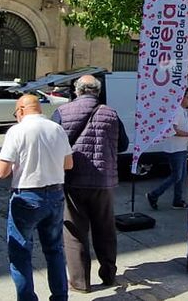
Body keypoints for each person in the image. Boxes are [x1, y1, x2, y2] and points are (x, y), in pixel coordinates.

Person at [51, 75, 128, 292]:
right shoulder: (111, 113)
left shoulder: (62, 112)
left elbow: (52, 143)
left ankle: (79, 282)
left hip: (73, 179)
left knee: (75, 231)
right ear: (97, 91)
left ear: (77, 90)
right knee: (105, 228)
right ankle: (109, 275)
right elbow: (123, 144)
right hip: (104, 180)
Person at [0, 94, 74, 301]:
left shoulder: (17, 131)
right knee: (55, 250)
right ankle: (60, 296)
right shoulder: (56, 129)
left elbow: (2, 172)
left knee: (20, 252)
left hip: (27, 196)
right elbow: (68, 164)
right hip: (55, 193)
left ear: (21, 110)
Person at [147, 89, 188, 210]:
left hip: (180, 148)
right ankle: (154, 194)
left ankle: (177, 201)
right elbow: (173, 130)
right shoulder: (176, 111)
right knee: (176, 176)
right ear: (181, 98)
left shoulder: (182, 111)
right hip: (174, 149)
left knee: (180, 176)